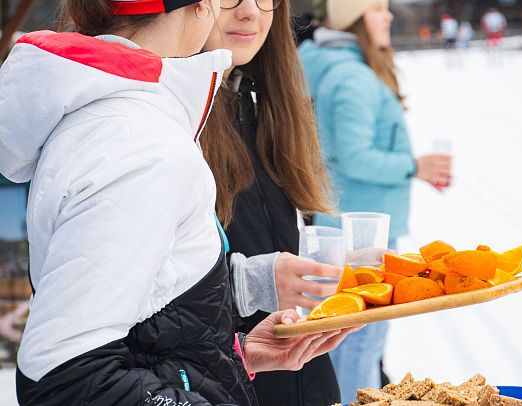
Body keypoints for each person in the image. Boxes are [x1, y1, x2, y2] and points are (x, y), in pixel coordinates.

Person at [0, 0, 354, 404]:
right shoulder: (139, 146)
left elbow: (141, 321)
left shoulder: (137, 126)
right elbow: (66, 377)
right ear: (203, 7)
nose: (249, 11)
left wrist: (228, 357)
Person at [200, 0, 362, 404]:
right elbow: (151, 290)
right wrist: (250, 285)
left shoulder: (267, 100)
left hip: (302, 370)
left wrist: (338, 270)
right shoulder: (173, 116)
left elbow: (275, 243)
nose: (251, 12)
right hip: (218, 380)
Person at [299, 0, 452, 402]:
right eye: (378, 9)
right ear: (355, 19)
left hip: (339, 223)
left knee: (341, 340)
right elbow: (354, 157)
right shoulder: (352, 77)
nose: (388, 16)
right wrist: (413, 166)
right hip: (361, 233)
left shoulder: (324, 64)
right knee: (361, 344)